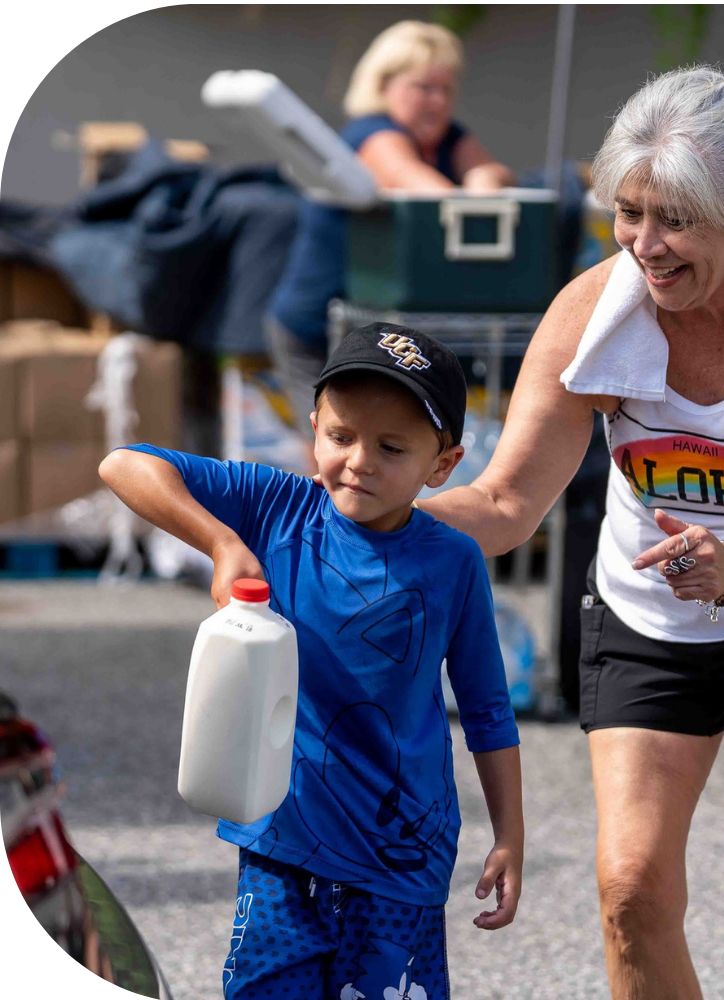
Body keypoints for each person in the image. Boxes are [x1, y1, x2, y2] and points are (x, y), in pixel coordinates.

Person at [418, 65, 724, 998]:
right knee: (630, 890)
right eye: (628, 213)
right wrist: (358, 518)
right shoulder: (592, 314)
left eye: (675, 218)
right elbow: (506, 504)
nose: (645, 245)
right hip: (648, 613)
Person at [98, 324, 523, 998]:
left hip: (400, 856)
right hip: (280, 839)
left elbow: (488, 711)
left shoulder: (453, 561)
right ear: (315, 429)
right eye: (341, 436)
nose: (359, 462)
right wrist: (221, 543)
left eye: (391, 448)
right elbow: (122, 464)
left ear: (443, 464)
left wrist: (509, 836)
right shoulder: (277, 507)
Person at [266, 20, 514, 442]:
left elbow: (492, 174)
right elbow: (430, 193)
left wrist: (483, 179)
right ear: (383, 85)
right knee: (335, 449)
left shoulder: (448, 137)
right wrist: (478, 193)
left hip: (374, 329)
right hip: (319, 326)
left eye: (446, 89)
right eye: (423, 88)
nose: (437, 101)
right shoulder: (373, 134)